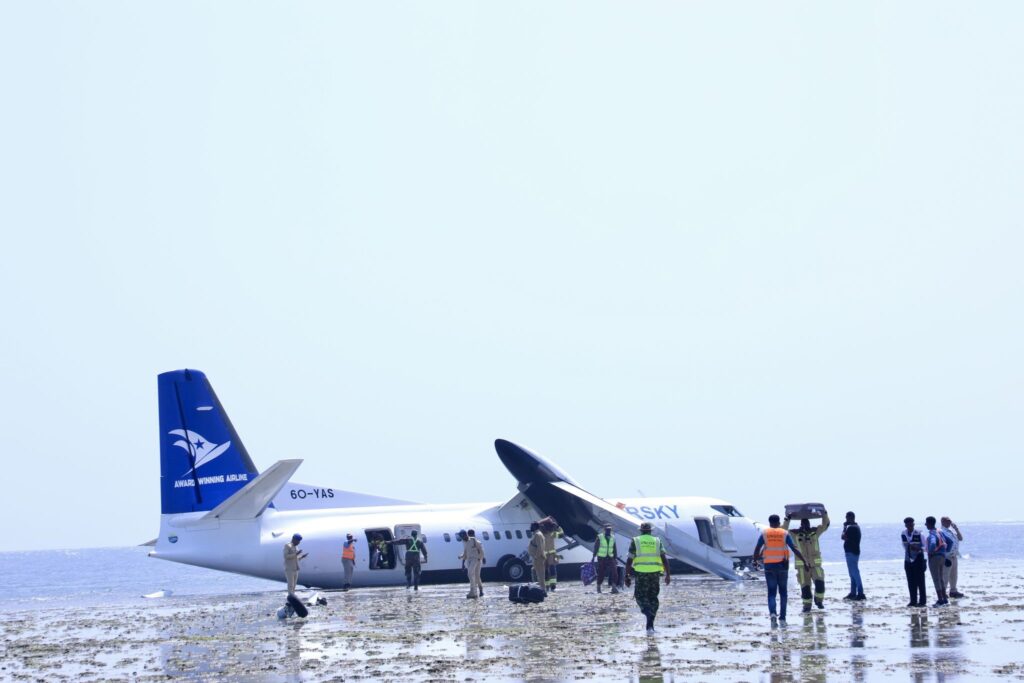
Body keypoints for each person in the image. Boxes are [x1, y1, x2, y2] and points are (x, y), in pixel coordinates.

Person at [754, 514, 810, 624]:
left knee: (771, 593)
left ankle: (773, 614)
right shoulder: (784, 533)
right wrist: (804, 561)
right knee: (783, 592)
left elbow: (757, 548)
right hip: (782, 567)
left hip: (769, 567)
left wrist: (755, 561)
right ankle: (783, 616)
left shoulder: (765, 533)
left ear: (770, 523)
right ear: (779, 523)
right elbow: (794, 548)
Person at [625, 521, 670, 632]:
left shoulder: (636, 541)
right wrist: (668, 574)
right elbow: (664, 559)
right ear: (650, 531)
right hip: (655, 573)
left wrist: (627, 575)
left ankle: (648, 614)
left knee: (640, 596)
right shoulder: (657, 541)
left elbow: (629, 560)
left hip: (641, 573)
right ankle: (650, 625)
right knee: (653, 598)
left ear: (640, 530)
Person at [785, 509, 830, 612]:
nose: (805, 525)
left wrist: (824, 514)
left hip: (816, 565)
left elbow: (825, 524)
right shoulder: (794, 534)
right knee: (805, 588)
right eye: (803, 523)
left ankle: (819, 601)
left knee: (820, 584)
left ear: (809, 524)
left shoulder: (815, 532)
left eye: (807, 523)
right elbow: (783, 529)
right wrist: (788, 518)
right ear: (800, 524)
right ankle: (807, 605)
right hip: (802, 567)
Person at [901, 517, 928, 607]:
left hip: (918, 559)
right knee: (910, 581)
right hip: (908, 560)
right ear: (906, 525)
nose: (910, 526)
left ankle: (922, 601)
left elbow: (925, 547)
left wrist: (918, 548)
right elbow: (904, 546)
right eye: (908, 525)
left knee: (920, 581)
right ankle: (913, 600)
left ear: (913, 524)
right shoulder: (903, 534)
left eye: (911, 524)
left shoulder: (920, 533)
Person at [925, 516, 950, 607]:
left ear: (929, 524)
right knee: (941, 578)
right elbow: (950, 542)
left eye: (926, 523)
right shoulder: (940, 532)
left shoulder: (932, 534)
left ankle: (940, 600)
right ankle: (945, 599)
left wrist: (931, 552)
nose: (925, 525)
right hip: (942, 557)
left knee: (936, 579)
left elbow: (932, 543)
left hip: (934, 557)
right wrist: (944, 552)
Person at [841, 511, 865, 601]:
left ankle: (860, 593)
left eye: (847, 517)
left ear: (850, 518)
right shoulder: (856, 527)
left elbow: (843, 537)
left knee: (854, 573)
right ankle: (853, 592)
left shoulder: (851, 528)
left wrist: (844, 527)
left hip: (851, 552)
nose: (846, 519)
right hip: (853, 552)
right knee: (852, 573)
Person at [592, 524, 620, 594]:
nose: (608, 530)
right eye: (607, 529)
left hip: (610, 557)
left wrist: (615, 558)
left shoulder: (613, 537)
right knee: (601, 573)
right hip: (602, 557)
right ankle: (598, 587)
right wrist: (594, 556)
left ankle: (614, 587)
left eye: (610, 529)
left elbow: (614, 548)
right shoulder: (600, 537)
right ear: (604, 529)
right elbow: (596, 547)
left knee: (615, 572)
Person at [941, 517, 965, 598]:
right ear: (942, 522)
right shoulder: (942, 531)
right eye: (947, 521)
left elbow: (960, 538)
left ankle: (953, 591)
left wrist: (956, 529)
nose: (949, 523)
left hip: (954, 556)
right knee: (945, 575)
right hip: (947, 556)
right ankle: (943, 592)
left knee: (954, 575)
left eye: (949, 522)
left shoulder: (951, 531)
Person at [540, 516, 564, 592]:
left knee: (545, 570)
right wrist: (558, 527)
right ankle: (553, 585)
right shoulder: (552, 534)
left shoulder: (540, 534)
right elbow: (561, 535)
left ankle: (546, 585)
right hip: (551, 554)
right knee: (552, 568)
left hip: (543, 554)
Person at [460, 529, 486, 599]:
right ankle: (475, 591)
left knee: (473, 574)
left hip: (476, 559)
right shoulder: (464, 542)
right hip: (470, 560)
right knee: (473, 575)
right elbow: (465, 552)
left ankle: (477, 591)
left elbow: (481, 551)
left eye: (464, 536)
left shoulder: (475, 541)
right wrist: (462, 562)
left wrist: (481, 558)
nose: (463, 538)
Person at [527, 522, 547, 588]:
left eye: (531, 526)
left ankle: (542, 590)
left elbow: (540, 547)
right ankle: (536, 587)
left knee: (540, 576)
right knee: (534, 571)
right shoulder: (537, 534)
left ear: (535, 527)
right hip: (537, 558)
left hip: (538, 558)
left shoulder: (538, 535)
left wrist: (536, 557)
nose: (530, 527)